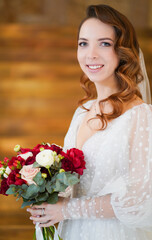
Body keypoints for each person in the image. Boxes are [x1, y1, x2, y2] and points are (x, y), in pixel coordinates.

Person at [27, 4, 152, 240]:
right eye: (83, 43)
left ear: (122, 51)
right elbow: (74, 184)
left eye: (104, 43)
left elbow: (140, 200)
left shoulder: (141, 116)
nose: (90, 54)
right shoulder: (82, 112)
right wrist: (45, 197)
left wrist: (65, 210)